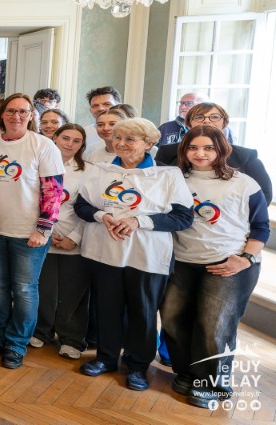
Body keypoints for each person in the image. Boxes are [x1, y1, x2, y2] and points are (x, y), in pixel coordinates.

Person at [74, 118, 193, 392]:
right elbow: (81, 206)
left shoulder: (167, 175)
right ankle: (106, 358)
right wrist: (101, 216)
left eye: (130, 139)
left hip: (146, 256)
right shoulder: (100, 170)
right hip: (104, 252)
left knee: (143, 312)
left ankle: (138, 366)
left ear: (149, 144)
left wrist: (139, 221)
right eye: (118, 138)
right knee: (107, 308)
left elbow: (183, 217)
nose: (121, 144)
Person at [164, 125, 269, 409]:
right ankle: (187, 373)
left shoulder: (244, 183)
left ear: (222, 150)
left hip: (228, 263)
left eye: (208, 148)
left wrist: (245, 259)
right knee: (172, 318)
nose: (200, 153)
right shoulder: (174, 179)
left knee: (214, 325)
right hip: (182, 261)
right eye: (193, 147)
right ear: (184, 150)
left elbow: (261, 227)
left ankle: (211, 383)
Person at [0, 94, 65, 369]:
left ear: (31, 116)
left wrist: (43, 229)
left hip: (29, 234)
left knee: (25, 290)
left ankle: (16, 344)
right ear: (2, 114)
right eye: (11, 111)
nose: (17, 116)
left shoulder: (43, 145)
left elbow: (54, 190)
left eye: (23, 112)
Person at [36, 123, 92, 359]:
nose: (69, 144)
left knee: (73, 293)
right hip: (43, 238)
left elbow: (91, 209)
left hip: (73, 240)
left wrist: (74, 238)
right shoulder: (39, 163)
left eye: (76, 141)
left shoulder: (89, 171)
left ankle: (72, 339)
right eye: (65, 138)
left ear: (82, 145)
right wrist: (44, 233)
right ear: (55, 138)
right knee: (44, 290)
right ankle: (42, 331)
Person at [155, 102, 271, 203]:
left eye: (214, 117)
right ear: (189, 123)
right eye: (199, 117)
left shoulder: (245, 156)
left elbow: (264, 195)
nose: (206, 121)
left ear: (224, 122)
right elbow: (156, 189)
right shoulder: (167, 152)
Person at [81, 86, 121, 152]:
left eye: (107, 104)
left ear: (119, 107)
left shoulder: (133, 131)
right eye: (95, 106)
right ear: (90, 110)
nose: (100, 108)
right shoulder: (83, 133)